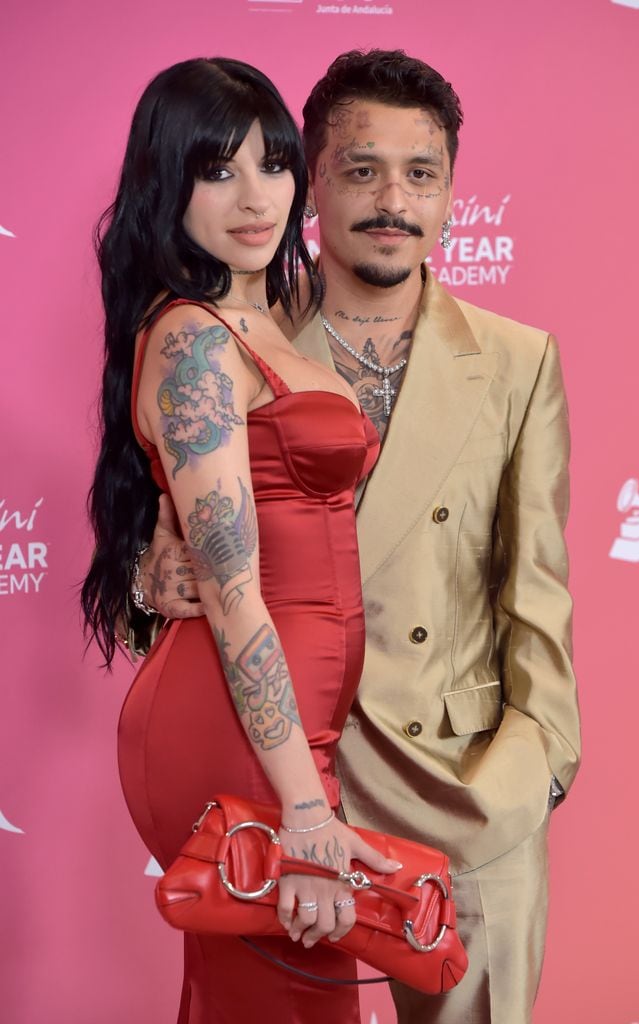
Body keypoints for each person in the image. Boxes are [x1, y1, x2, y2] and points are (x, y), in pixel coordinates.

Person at [133, 50, 581, 1024]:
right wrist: (150, 580)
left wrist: (533, 769)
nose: (394, 201)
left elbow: (538, 586)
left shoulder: (516, 361)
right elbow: (189, 562)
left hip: (468, 781)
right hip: (294, 770)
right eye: (362, 169)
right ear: (316, 181)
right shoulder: (233, 340)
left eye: (421, 174)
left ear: (454, 192)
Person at [80, 56, 400, 1024]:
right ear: (165, 184)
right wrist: (305, 811)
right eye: (218, 171)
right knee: (280, 995)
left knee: (273, 994)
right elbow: (233, 590)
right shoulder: (193, 341)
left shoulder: (259, 326)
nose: (256, 197)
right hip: (243, 721)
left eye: (273, 164)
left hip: (292, 724)